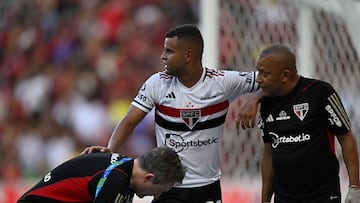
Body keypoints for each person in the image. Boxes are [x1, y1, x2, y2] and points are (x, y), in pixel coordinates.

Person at [81, 23, 262, 202]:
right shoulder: (157, 83)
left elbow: (270, 79)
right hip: (168, 187)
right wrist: (110, 150)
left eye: (169, 51)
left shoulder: (222, 82)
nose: (163, 56)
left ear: (188, 55)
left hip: (207, 187)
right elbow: (129, 121)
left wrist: (255, 98)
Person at [256, 44, 360, 203]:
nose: (258, 78)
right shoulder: (266, 104)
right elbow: (269, 153)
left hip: (322, 196)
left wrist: (355, 187)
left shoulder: (321, 93)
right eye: (258, 72)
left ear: (285, 75)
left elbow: (346, 138)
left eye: (264, 73)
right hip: (284, 198)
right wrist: (265, 200)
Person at [17, 147, 185, 203]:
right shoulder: (115, 180)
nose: (157, 196)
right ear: (148, 177)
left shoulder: (125, 173)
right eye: (160, 190)